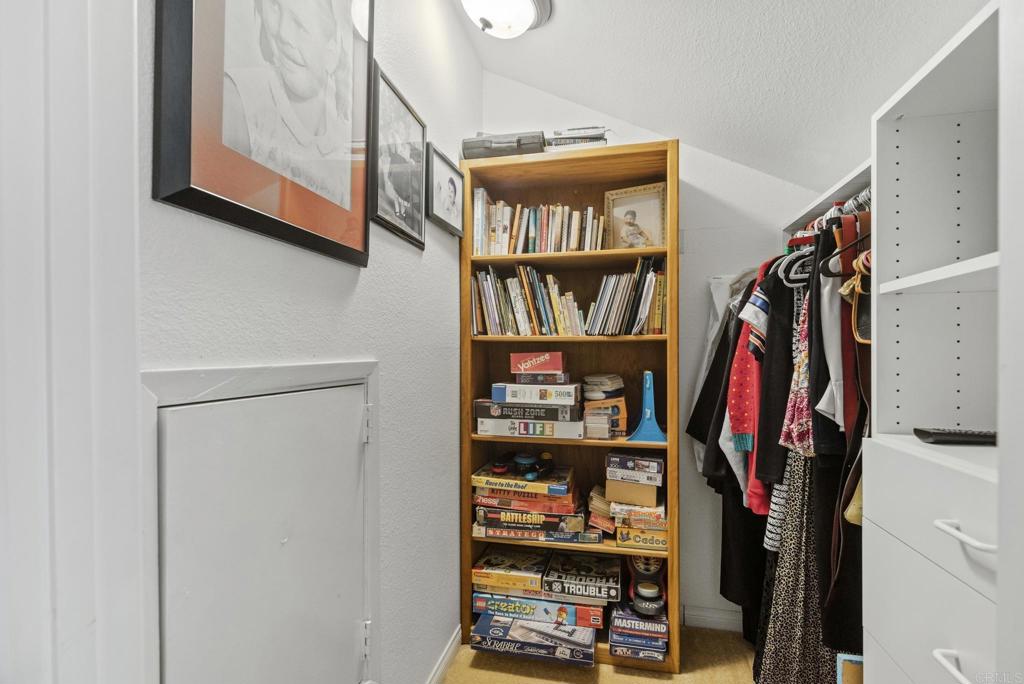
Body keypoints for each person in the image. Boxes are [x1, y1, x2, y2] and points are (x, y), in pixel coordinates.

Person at [222, 0, 354, 208]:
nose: (282, 33)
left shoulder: (345, 146)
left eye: (299, 24)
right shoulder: (238, 98)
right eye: (275, 7)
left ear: (332, 50)